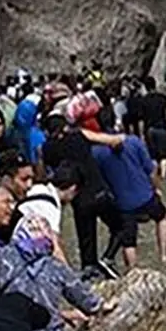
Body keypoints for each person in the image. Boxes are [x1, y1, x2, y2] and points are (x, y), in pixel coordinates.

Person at [42, 106, 122, 279]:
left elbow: (45, 173)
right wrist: (123, 139)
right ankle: (108, 257)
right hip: (98, 191)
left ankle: (89, 274)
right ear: (65, 127)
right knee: (121, 227)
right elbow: (110, 140)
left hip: (78, 198)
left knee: (86, 241)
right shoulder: (78, 135)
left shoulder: (47, 148)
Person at [89, 133, 166, 266]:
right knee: (162, 218)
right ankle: (164, 256)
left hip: (123, 204)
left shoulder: (96, 153)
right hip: (146, 195)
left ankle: (133, 272)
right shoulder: (134, 142)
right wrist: (157, 188)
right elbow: (151, 170)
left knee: (129, 242)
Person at [137, 77, 166, 179]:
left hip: (150, 129)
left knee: (153, 155)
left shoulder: (143, 101)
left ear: (145, 87)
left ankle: (155, 175)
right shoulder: (162, 98)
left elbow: (141, 120)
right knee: (164, 155)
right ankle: (164, 176)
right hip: (162, 128)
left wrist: (141, 134)